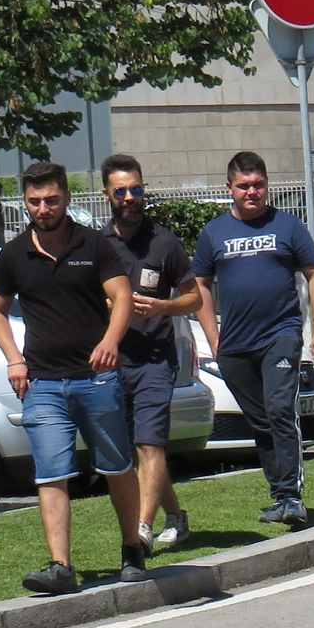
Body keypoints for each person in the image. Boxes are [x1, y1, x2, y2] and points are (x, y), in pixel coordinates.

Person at [0, 162, 151, 596]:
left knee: (117, 466)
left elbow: (121, 298)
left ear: (67, 199)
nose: (44, 209)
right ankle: (60, 565)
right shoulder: (13, 254)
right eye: (35, 201)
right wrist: (14, 359)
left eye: (52, 200)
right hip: (41, 384)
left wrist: (111, 341)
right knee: (51, 474)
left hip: (96, 381)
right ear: (25, 202)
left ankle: (132, 548)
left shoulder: (94, 245)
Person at [192, 151, 314, 527]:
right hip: (234, 346)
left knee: (279, 409)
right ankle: (278, 496)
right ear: (230, 189)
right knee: (261, 420)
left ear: (267, 186)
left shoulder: (288, 227)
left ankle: (291, 495)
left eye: (258, 185)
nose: (251, 192)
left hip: (280, 336)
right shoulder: (214, 233)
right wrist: (213, 336)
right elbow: (199, 285)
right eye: (243, 186)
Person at [100, 155, 201, 551]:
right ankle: (175, 516)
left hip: (155, 358)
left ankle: (141, 530)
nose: (129, 197)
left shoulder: (164, 242)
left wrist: (162, 306)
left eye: (136, 189)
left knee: (150, 444)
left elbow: (194, 297)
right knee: (132, 452)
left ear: (145, 189)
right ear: (107, 194)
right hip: (112, 360)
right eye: (121, 191)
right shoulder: (97, 244)